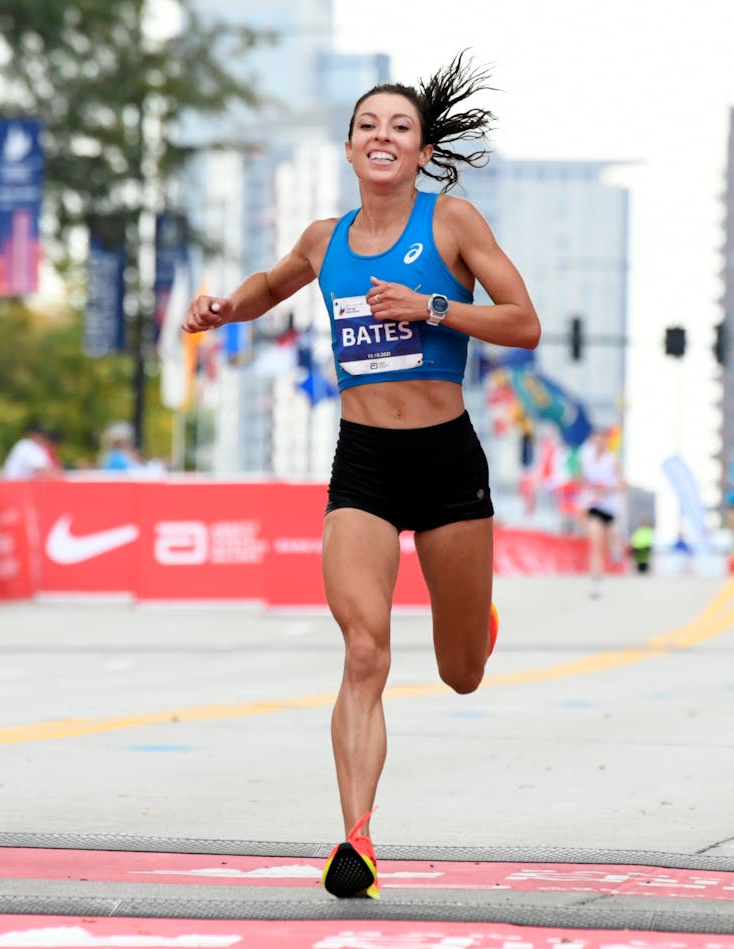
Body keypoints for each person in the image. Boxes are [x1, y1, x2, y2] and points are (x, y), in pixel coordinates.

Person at [183, 54, 539, 900]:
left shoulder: (452, 222)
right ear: (348, 147)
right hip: (365, 466)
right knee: (365, 648)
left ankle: (472, 613)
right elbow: (270, 285)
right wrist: (226, 308)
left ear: (421, 152)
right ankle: (357, 838)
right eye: (369, 126)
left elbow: (522, 323)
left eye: (401, 128)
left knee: (460, 671)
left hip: (448, 461)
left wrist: (434, 307)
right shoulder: (325, 239)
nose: (383, 137)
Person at [578, 428, 626, 597]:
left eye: (601, 441)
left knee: (611, 542)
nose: (598, 444)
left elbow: (623, 484)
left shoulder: (612, 460)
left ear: (606, 441)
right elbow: (582, 483)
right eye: (595, 441)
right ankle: (597, 581)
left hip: (610, 508)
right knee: (595, 545)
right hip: (594, 507)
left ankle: (616, 551)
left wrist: (608, 489)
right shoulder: (587, 462)